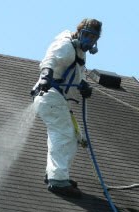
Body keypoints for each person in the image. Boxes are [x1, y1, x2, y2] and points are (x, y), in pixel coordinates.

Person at [32, 18, 102, 198]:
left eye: (93, 38)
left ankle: (56, 174)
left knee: (66, 136)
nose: (89, 41)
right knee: (63, 136)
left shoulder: (79, 52)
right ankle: (58, 180)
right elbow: (50, 60)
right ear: (78, 32)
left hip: (57, 99)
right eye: (86, 35)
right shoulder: (66, 45)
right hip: (50, 95)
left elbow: (72, 73)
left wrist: (83, 85)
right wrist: (46, 76)